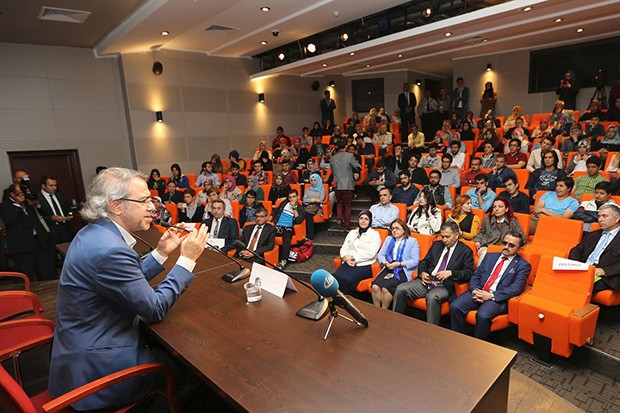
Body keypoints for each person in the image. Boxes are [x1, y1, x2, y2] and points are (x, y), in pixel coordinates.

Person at [48, 167, 209, 411]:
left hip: (79, 350)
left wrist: (161, 252)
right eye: (144, 201)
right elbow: (154, 308)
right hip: (99, 368)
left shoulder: (93, 232)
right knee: (193, 370)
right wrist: (187, 259)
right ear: (116, 205)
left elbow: (123, 281)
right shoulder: (111, 249)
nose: (153, 207)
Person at [450, 231, 530, 341]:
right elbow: (476, 274)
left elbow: (516, 288)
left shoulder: (523, 265)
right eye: (504, 243)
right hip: (479, 291)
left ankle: (477, 344)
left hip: (497, 299)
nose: (506, 247)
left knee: (483, 316)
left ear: (519, 249)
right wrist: (475, 290)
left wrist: (491, 296)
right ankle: (456, 339)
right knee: (455, 306)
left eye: (511, 245)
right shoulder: (490, 256)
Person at [393, 221, 474, 324]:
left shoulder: (465, 251)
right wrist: (423, 273)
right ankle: (396, 322)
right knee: (401, 289)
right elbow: (424, 262)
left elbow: (468, 273)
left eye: (447, 237)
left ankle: (432, 329)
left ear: (457, 235)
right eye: (442, 236)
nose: (444, 240)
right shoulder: (437, 245)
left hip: (445, 285)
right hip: (428, 281)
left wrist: (451, 273)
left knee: (432, 297)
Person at [1, 183, 56, 281]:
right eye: (20, 194)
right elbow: (9, 220)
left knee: (44, 270)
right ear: (12, 194)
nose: (23, 196)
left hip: (37, 240)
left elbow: (41, 215)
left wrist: (36, 204)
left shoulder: (27, 202)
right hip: (21, 245)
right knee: (25, 272)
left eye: (23, 193)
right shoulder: (5, 206)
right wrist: (17, 205)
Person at [569, 204, 620, 293]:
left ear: (617, 219)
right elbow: (577, 250)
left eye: (604, 216)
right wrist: (575, 263)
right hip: (585, 268)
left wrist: (604, 271)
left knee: (580, 285)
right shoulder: (593, 235)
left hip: (606, 275)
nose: (600, 220)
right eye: (599, 216)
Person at [372, 219, 420, 308]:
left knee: (385, 289)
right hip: (389, 266)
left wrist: (399, 264)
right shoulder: (389, 239)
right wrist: (385, 262)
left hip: (402, 269)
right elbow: (380, 255)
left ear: (404, 229)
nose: (394, 231)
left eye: (397, 228)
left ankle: (384, 311)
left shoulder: (412, 241)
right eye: (392, 228)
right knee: (375, 287)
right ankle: (376, 311)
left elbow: (415, 260)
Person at [333, 210, 382, 296]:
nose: (363, 221)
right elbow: (344, 248)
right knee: (335, 278)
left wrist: (352, 258)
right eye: (361, 218)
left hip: (364, 264)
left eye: (366, 219)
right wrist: (345, 258)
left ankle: (347, 300)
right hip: (348, 262)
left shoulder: (375, 234)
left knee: (348, 280)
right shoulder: (352, 232)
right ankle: (336, 299)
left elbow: (371, 253)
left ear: (370, 221)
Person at [474, 198, 525, 263]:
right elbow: (481, 232)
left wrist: (509, 245)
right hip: (487, 246)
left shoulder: (513, 221)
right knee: (485, 254)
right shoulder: (487, 219)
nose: (496, 209)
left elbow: (522, 237)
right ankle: (480, 270)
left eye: (500, 207)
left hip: (504, 248)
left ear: (506, 209)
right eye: (494, 207)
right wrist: (478, 241)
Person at [269, 189, 305, 269]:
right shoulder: (284, 203)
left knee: (286, 239)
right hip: (278, 226)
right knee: (267, 234)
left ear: (298, 197)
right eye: (290, 197)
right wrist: (269, 219)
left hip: (288, 228)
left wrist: (294, 208)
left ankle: (283, 260)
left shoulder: (300, 208)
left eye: (294, 197)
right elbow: (276, 210)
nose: (292, 199)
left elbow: (298, 221)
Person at [330, 140, 361, 230]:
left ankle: (339, 217)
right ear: (346, 146)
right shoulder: (349, 156)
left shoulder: (332, 158)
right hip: (347, 184)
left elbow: (332, 170)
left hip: (337, 183)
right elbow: (358, 167)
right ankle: (346, 225)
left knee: (339, 202)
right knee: (347, 205)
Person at [37, 175, 74, 244]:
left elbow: (68, 209)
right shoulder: (38, 198)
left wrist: (70, 215)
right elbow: (37, 217)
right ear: (43, 186)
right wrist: (51, 218)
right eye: (51, 186)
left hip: (65, 228)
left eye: (55, 185)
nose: (54, 188)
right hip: (51, 230)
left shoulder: (60, 195)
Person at [303, 173, 326, 240]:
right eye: (311, 180)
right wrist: (315, 199)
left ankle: (310, 235)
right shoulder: (308, 190)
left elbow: (320, 200)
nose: (313, 182)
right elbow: (304, 200)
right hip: (307, 207)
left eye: (315, 180)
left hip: (317, 208)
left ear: (318, 180)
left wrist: (310, 200)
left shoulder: (322, 190)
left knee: (308, 214)